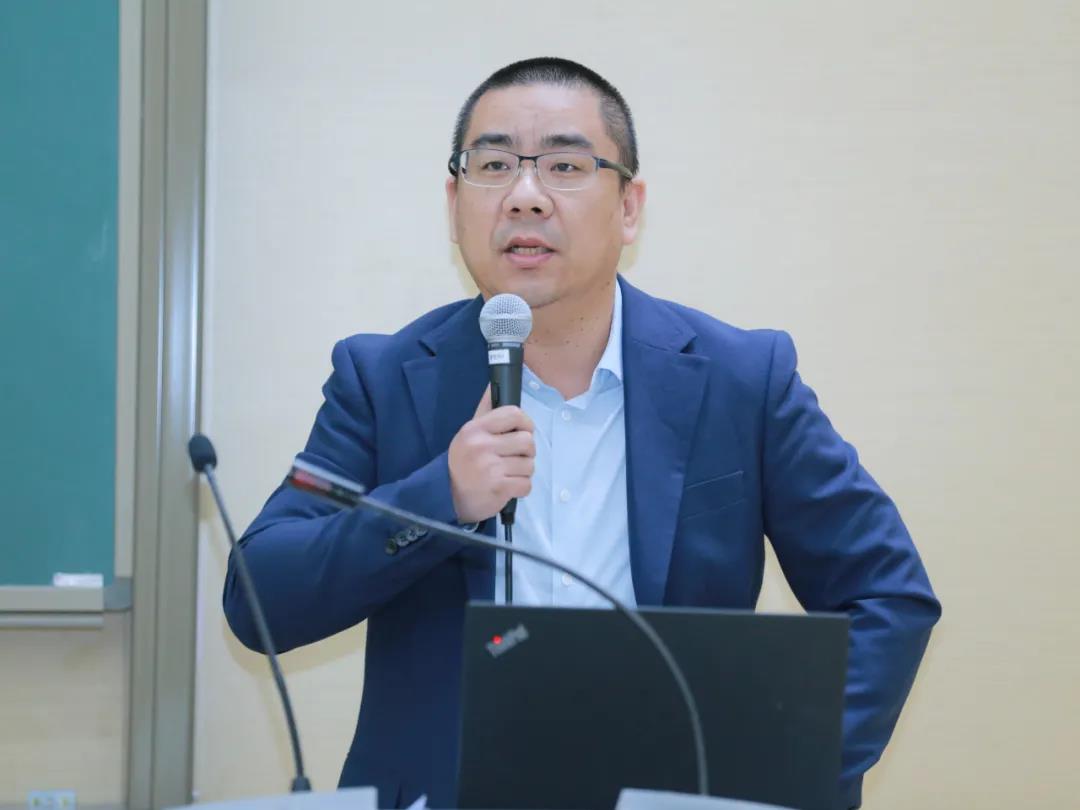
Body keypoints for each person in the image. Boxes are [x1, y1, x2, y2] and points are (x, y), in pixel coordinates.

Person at [224, 57, 941, 809]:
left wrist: (773, 773)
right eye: (494, 165)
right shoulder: (383, 379)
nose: (525, 195)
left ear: (629, 207)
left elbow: (887, 595)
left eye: (565, 166)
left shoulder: (741, 380)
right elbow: (260, 600)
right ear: (455, 204)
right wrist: (441, 496)